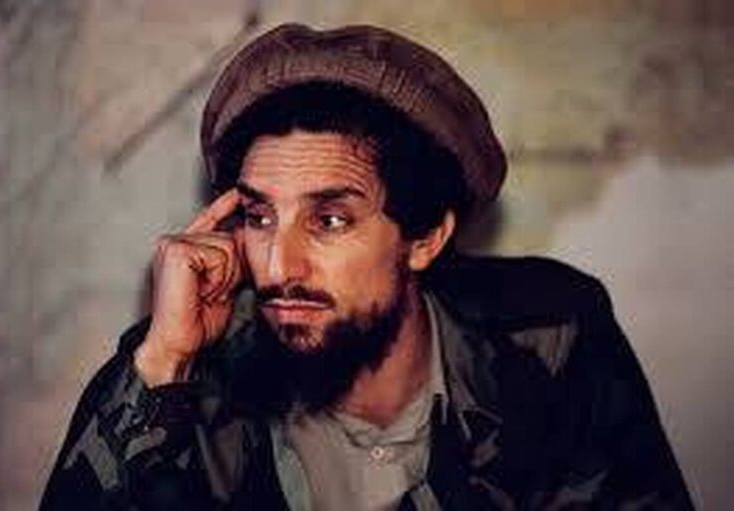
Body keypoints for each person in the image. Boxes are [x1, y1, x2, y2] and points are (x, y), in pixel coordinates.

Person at [40, 24, 692, 510]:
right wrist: (161, 366)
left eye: (329, 220)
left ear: (426, 237)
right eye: (259, 217)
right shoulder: (186, 370)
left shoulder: (549, 338)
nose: (278, 266)